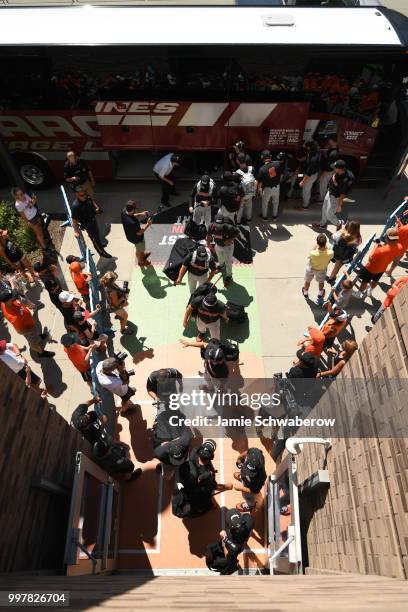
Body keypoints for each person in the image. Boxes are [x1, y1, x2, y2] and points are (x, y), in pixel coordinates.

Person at [173, 440, 232, 518]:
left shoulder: (193, 453)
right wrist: (227, 487)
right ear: (211, 457)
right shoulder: (208, 477)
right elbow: (214, 486)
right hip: (195, 495)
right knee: (205, 504)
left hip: (184, 487)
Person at [0, 289, 54, 358]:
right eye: (12, 296)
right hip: (27, 329)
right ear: (8, 301)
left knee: (35, 335)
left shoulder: (6, 302)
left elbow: (20, 300)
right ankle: (41, 353)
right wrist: (28, 332)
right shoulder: (13, 317)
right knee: (33, 343)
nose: (14, 296)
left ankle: (38, 338)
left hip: (30, 323)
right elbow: (20, 329)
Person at [355, 228, 405, 298]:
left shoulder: (380, 250)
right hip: (383, 268)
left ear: (387, 238)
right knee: (375, 281)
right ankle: (370, 291)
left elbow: (370, 259)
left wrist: (375, 247)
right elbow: (394, 256)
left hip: (371, 269)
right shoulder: (400, 247)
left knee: (364, 282)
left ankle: (358, 294)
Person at [71, 188, 112, 259]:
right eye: (82, 195)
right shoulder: (75, 206)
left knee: (97, 236)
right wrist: (76, 231)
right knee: (94, 239)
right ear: (77, 195)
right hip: (87, 225)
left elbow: (92, 202)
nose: (84, 196)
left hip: (93, 220)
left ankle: (99, 245)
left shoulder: (87, 198)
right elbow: (74, 220)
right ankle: (102, 252)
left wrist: (97, 208)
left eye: (84, 194)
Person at [152, 409, 193, 480]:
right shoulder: (159, 451)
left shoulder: (185, 439)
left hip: (173, 419)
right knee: (167, 475)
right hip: (167, 420)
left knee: (168, 474)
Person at [314, 160, 354, 228]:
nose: (333, 168)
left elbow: (342, 194)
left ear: (340, 169)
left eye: (335, 167)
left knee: (329, 214)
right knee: (324, 209)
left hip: (336, 197)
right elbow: (335, 177)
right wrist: (333, 178)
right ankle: (323, 224)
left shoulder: (346, 179)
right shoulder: (338, 172)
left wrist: (339, 205)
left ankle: (339, 224)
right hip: (330, 192)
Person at [207, 214, 240, 287]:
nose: (219, 226)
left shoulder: (229, 228)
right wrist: (208, 244)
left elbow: (237, 232)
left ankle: (229, 276)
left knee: (228, 262)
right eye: (217, 224)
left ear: (224, 223)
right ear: (214, 223)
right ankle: (221, 267)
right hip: (218, 245)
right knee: (220, 258)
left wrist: (229, 239)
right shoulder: (211, 227)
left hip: (228, 247)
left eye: (221, 224)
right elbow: (209, 236)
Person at [302, 234, 334, 305]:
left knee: (307, 281)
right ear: (325, 243)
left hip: (311, 268)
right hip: (322, 270)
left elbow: (309, 256)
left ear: (317, 242)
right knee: (321, 282)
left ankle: (306, 293)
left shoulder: (313, 253)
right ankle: (320, 294)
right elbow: (330, 259)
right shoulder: (330, 252)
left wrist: (315, 247)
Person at [326, 220, 361, 284]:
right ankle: (331, 278)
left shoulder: (342, 234)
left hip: (335, 253)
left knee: (330, 250)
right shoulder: (358, 237)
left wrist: (342, 230)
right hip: (345, 257)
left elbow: (333, 237)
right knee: (337, 267)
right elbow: (358, 244)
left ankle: (323, 269)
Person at [120, 200, 152, 266]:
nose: (136, 211)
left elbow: (132, 214)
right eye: (135, 210)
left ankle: (143, 254)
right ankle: (141, 262)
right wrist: (148, 224)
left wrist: (141, 214)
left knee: (140, 248)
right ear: (132, 210)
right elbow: (139, 233)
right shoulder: (132, 223)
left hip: (130, 235)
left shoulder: (124, 211)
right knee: (139, 249)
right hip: (136, 238)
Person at [100, 271, 132, 335]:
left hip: (112, 303)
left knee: (126, 303)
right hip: (114, 307)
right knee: (125, 316)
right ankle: (123, 330)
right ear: (111, 281)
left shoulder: (108, 284)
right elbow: (115, 304)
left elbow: (118, 289)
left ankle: (119, 315)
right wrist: (123, 297)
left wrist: (123, 291)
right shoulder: (112, 292)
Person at [256, 149, 282, 221]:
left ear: (262, 158)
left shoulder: (262, 169)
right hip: (277, 187)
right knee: (275, 202)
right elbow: (280, 174)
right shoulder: (277, 163)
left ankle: (265, 217)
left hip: (267, 189)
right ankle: (274, 217)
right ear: (270, 156)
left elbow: (260, 183)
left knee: (265, 204)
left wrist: (258, 191)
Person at [298, 140, 320, 210]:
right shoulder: (316, 152)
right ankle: (305, 201)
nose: (305, 147)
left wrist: (303, 181)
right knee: (307, 189)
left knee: (306, 190)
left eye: (306, 146)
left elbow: (309, 172)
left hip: (310, 176)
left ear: (309, 147)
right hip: (314, 174)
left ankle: (305, 206)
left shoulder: (313, 158)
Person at [234, 155, 257, 223]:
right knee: (249, 206)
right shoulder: (252, 168)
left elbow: (236, 186)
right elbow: (256, 180)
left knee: (240, 208)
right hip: (251, 193)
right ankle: (249, 219)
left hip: (242, 195)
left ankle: (238, 221)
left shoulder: (237, 173)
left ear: (238, 161)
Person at [319, 136, 339, 201]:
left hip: (328, 171)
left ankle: (322, 199)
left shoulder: (333, 153)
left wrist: (323, 174)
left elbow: (330, 166)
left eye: (329, 140)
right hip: (331, 170)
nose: (328, 142)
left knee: (323, 183)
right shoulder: (334, 149)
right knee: (325, 184)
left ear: (332, 141)